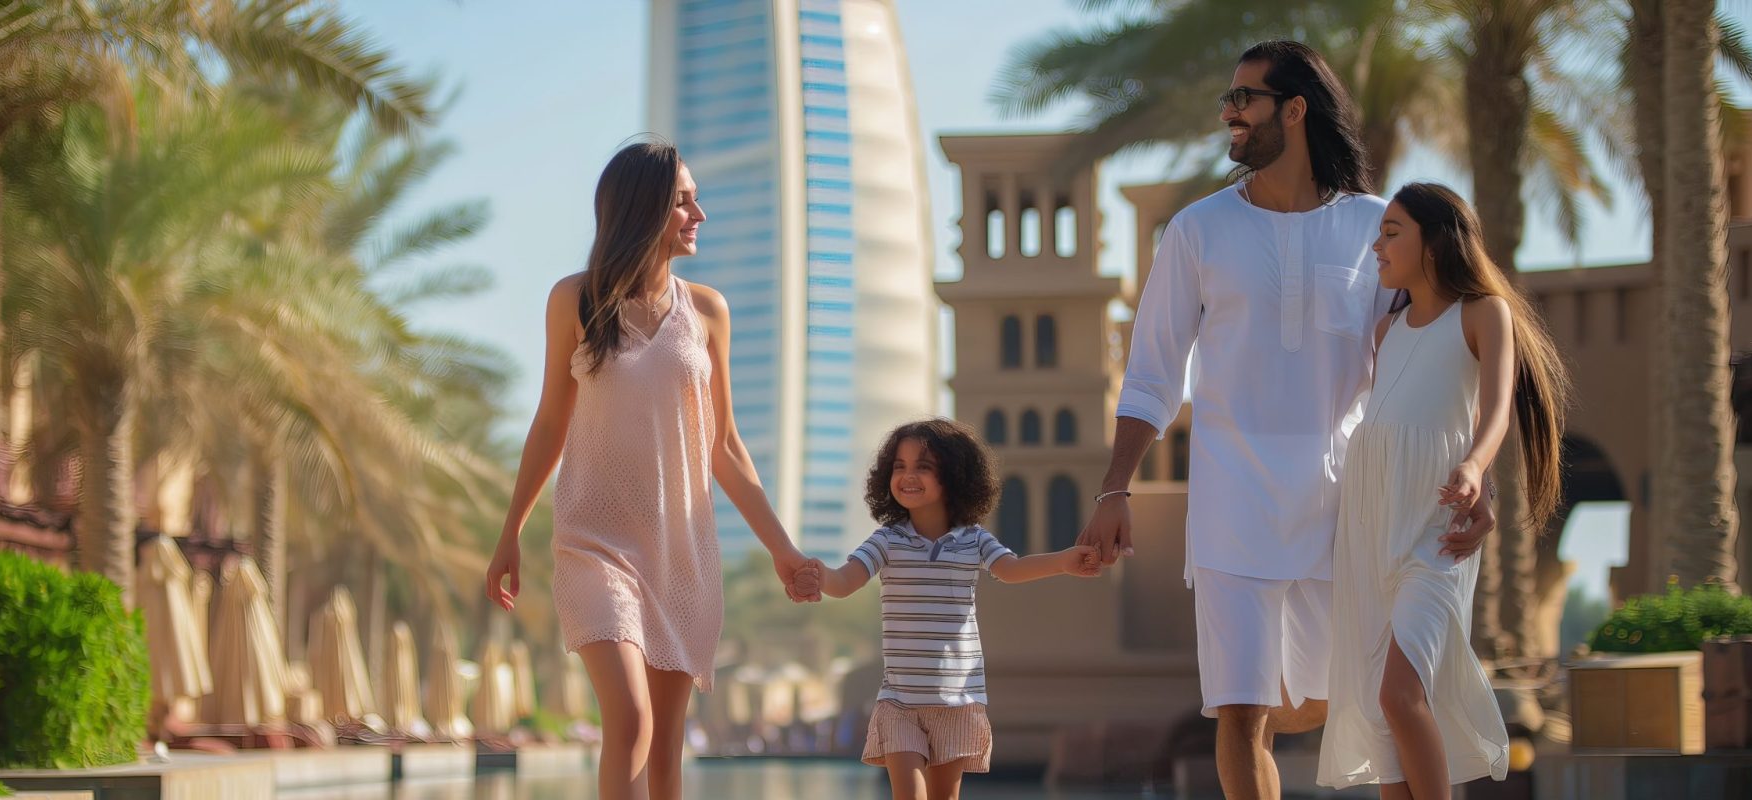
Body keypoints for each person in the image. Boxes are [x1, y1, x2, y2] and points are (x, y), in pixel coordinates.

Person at [1073, 42, 1497, 800]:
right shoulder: (1196, 231)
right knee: (1240, 711)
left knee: (1359, 702)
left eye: (1245, 99)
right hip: (1230, 504)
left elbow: (1432, 360)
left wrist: (1476, 479)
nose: (1230, 115)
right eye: (1227, 101)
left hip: (1347, 503)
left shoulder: (1377, 229)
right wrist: (1114, 490)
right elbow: (1152, 373)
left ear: (1295, 110)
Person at [483, 139, 819, 800]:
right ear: (643, 210)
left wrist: (782, 550)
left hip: (680, 555)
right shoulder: (574, 301)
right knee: (630, 720)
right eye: (683, 201)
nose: (699, 214)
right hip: (595, 543)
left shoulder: (709, 313)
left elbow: (724, 446)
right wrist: (510, 533)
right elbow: (550, 422)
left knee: (666, 752)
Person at [1317, 183, 1567, 799]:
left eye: (1393, 231)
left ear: (1436, 239)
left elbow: (1496, 412)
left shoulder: (1483, 313)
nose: (1377, 244)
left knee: (1401, 695)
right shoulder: (1386, 330)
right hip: (1370, 532)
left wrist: (1477, 469)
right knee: (1381, 725)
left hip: (1436, 532)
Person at [798, 419, 1099, 800]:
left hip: (957, 701)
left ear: (955, 476)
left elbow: (1011, 568)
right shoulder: (887, 540)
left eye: (923, 466)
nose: (908, 476)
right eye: (899, 466)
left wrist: (1065, 562)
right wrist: (816, 573)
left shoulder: (974, 540)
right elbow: (844, 581)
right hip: (900, 702)